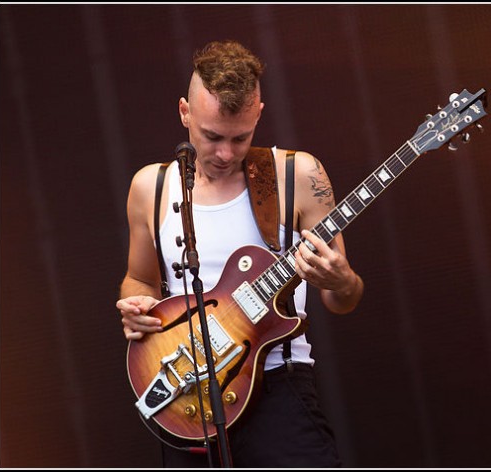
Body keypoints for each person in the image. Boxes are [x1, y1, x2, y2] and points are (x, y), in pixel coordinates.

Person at [115, 39, 364, 468]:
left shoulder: (296, 175)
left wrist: (340, 280)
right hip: (186, 390)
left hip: (278, 387)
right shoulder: (150, 189)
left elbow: (343, 299)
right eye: (211, 137)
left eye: (240, 137)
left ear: (258, 115)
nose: (226, 154)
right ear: (184, 113)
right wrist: (137, 305)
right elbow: (140, 279)